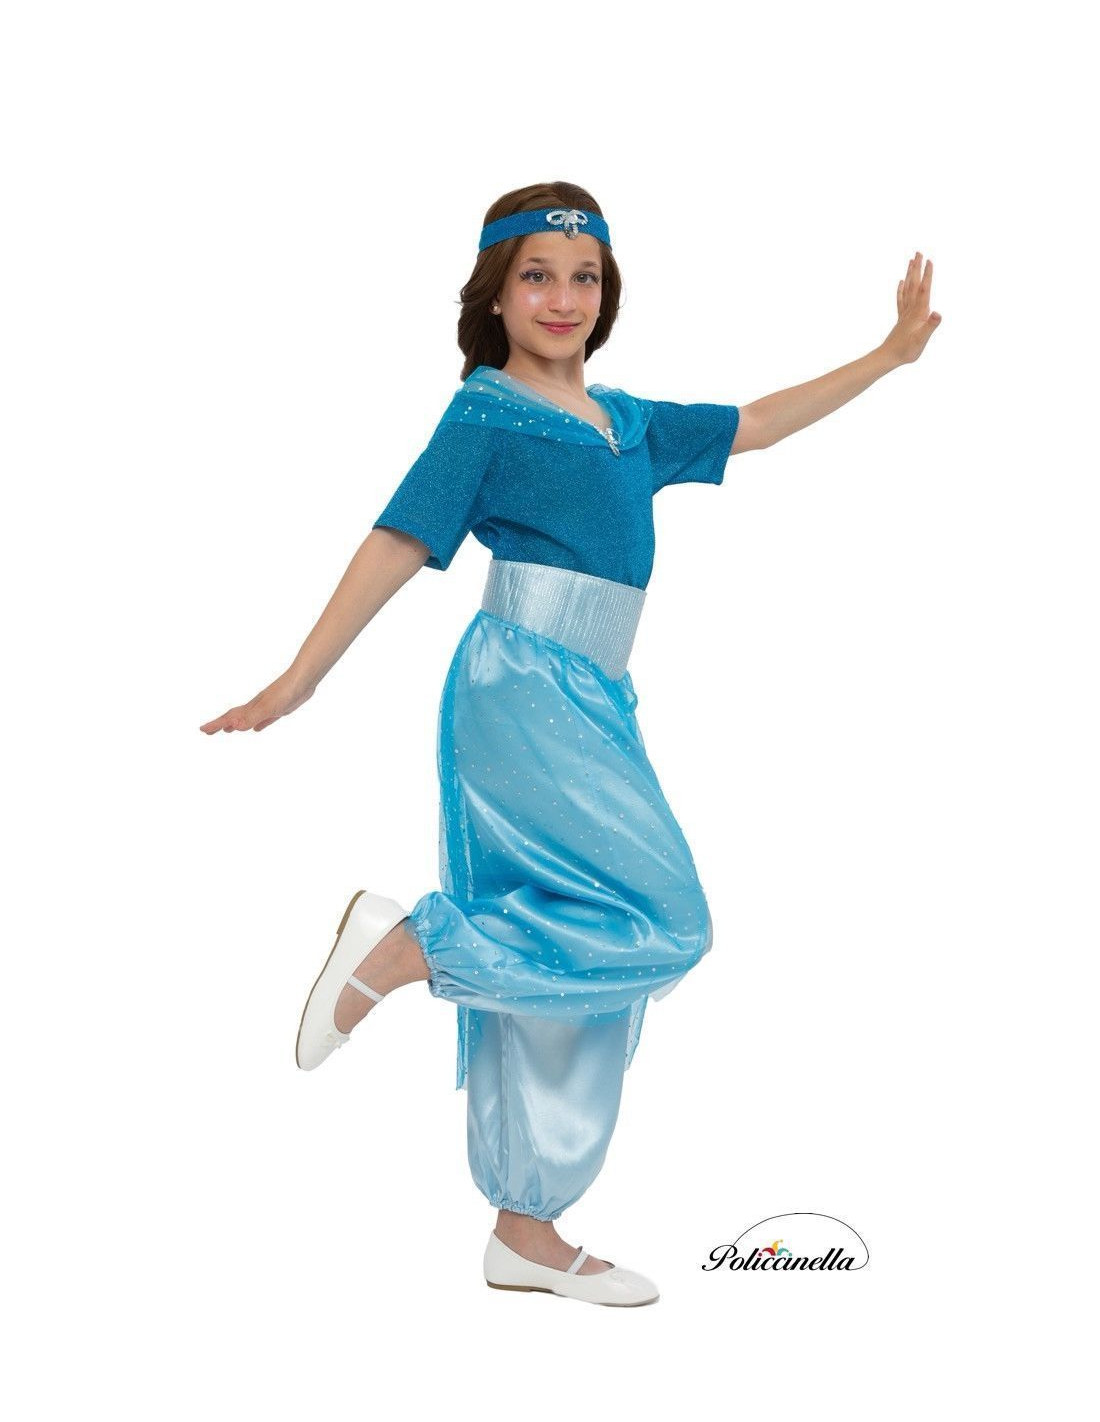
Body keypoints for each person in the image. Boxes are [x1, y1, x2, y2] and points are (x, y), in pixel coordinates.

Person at [200, 182, 941, 1307]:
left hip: (598, 696)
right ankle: (410, 947)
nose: (562, 297)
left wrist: (886, 357)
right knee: (667, 922)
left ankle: (525, 1228)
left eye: (583, 276)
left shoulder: (628, 424)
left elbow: (757, 421)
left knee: (569, 946)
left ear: (607, 292)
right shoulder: (486, 416)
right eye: (536, 276)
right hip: (521, 685)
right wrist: (298, 679)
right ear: (495, 297)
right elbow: (398, 540)